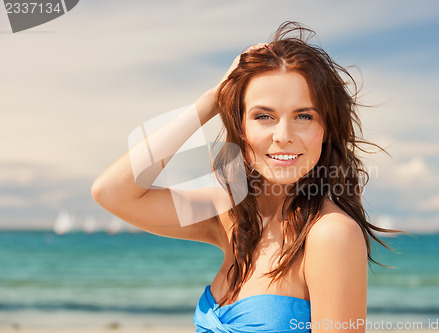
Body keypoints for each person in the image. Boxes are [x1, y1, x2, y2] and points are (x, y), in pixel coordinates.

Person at [92, 21, 402, 333]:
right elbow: (111, 192)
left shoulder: (330, 234)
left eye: (304, 116)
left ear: (326, 130)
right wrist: (211, 101)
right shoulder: (230, 216)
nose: (283, 135)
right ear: (241, 128)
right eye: (263, 116)